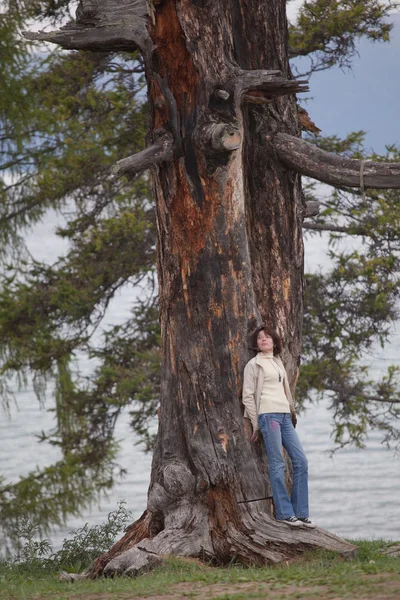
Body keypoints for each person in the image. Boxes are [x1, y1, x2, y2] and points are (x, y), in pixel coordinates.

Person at [242, 325, 316, 528]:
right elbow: (247, 396)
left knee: (301, 461)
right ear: (256, 344)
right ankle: (284, 513)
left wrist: (291, 411)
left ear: (274, 342)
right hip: (268, 416)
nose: (263, 340)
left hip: (284, 416)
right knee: (277, 464)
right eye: (259, 338)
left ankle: (301, 513)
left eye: (267, 337)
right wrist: (256, 424)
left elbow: (285, 390)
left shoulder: (277, 362)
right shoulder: (253, 365)